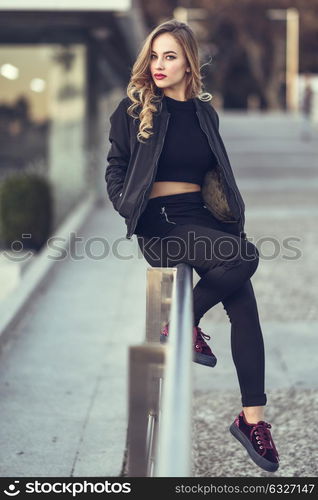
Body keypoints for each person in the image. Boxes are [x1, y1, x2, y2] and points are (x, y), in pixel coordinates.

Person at [105, 19, 279, 473]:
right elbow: (115, 169)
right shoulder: (132, 109)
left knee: (245, 305)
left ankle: (252, 418)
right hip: (160, 224)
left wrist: (230, 219)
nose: (159, 65)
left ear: (189, 64)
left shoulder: (205, 113)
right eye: (155, 56)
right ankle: (180, 323)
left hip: (202, 221)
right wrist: (130, 208)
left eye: (170, 57)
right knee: (247, 258)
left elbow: (216, 171)